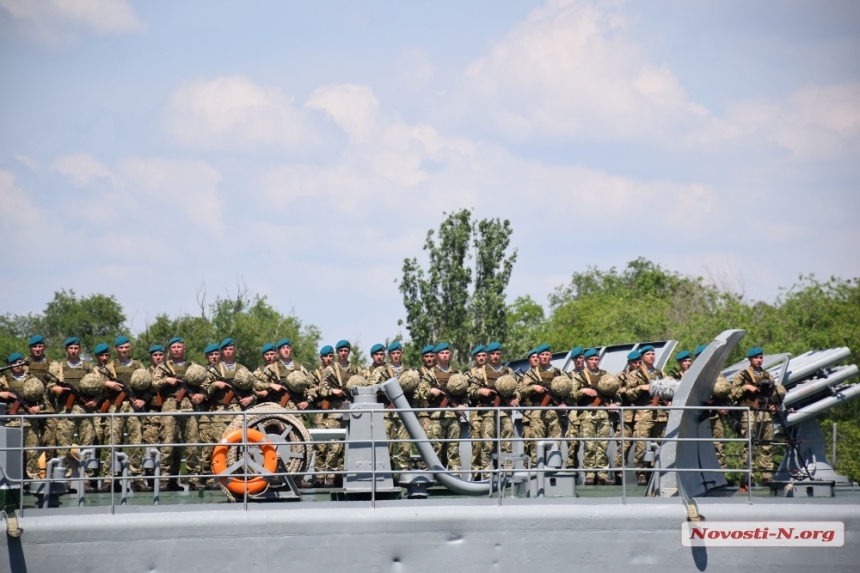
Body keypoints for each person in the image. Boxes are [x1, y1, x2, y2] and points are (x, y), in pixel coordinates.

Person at [152, 337, 205, 491]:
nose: (176, 349)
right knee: (168, 443)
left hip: (190, 408)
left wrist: (200, 395)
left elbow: (205, 386)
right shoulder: (163, 368)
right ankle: (166, 478)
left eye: (179, 347)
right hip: (170, 407)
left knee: (192, 445)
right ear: (169, 349)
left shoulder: (193, 367)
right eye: (173, 347)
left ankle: (194, 478)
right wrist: (166, 381)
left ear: (184, 348)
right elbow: (153, 385)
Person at [46, 337, 99, 488]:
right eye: (71, 348)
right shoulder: (59, 367)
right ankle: (64, 479)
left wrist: (95, 400)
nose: (74, 351)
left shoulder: (88, 367)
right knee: (63, 445)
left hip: (85, 410)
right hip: (65, 409)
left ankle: (87, 479)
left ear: (80, 349)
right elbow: (49, 384)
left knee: (87, 443)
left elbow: (99, 385)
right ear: (66, 350)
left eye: (76, 348)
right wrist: (54, 389)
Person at [731, 346, 783, 489]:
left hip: (765, 412)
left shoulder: (767, 376)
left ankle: (767, 476)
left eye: (760, 357)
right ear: (750, 359)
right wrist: (746, 388)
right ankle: (749, 476)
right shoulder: (742, 376)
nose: (759, 360)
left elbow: (775, 393)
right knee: (750, 446)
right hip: (749, 413)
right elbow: (732, 394)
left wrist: (774, 404)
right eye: (756, 358)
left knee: (767, 445)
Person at [467, 342, 518, 474]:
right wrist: (480, 391)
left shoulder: (508, 371)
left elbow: (517, 389)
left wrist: (516, 398)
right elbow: (471, 391)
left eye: (498, 354)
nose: (495, 356)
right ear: (489, 355)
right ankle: (487, 473)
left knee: (507, 443)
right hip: (488, 412)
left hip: (505, 412)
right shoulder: (480, 372)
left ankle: (506, 472)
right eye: (493, 354)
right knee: (488, 444)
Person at [316, 341, 359, 487]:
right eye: (341, 351)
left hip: (351, 410)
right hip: (334, 411)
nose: (343, 353)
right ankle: (328, 476)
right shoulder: (330, 370)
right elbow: (321, 389)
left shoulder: (356, 369)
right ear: (337, 353)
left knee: (343, 446)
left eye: (346, 350)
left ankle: (340, 474)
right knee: (334, 445)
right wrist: (332, 391)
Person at [416, 342, 465, 472]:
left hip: (454, 416)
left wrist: (462, 404)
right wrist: (431, 391)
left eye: (446, 353)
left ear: (450, 354)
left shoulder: (457, 373)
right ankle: (434, 474)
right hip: (436, 416)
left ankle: (455, 474)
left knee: (453, 447)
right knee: (435, 447)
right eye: (442, 353)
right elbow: (421, 393)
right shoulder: (430, 374)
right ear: (437, 356)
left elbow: (465, 392)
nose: (444, 355)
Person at [624, 345, 667, 485]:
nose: (651, 356)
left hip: (660, 413)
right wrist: (641, 388)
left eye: (653, 354)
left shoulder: (660, 374)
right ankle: (641, 472)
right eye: (648, 354)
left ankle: (657, 471)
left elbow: (669, 388)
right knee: (641, 445)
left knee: (660, 444)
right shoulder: (634, 374)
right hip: (643, 413)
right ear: (642, 357)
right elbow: (629, 395)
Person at [572, 348, 616, 485]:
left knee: (602, 444)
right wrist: (583, 391)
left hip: (603, 414)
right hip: (587, 414)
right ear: (586, 360)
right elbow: (572, 395)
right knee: (590, 445)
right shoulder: (580, 377)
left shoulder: (605, 375)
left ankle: (602, 474)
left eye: (596, 359)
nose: (594, 362)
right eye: (591, 359)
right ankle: (590, 474)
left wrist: (614, 404)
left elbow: (615, 392)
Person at [1, 352, 45, 481]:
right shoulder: (3, 380)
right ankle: (11, 478)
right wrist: (2, 394)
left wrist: (38, 407)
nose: (17, 365)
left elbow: (45, 401)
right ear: (9, 365)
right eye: (14, 363)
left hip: (29, 421)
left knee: (31, 451)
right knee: (12, 453)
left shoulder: (33, 380)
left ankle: (33, 478)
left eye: (20, 362)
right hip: (10, 422)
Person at [368, 342, 410, 476]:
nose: (396, 356)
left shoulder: (408, 372)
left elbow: (416, 391)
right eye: (393, 353)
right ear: (389, 355)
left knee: (405, 443)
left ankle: (404, 470)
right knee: (386, 444)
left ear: (401, 354)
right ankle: (388, 473)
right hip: (387, 410)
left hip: (403, 411)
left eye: (398, 353)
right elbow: (371, 387)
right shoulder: (381, 371)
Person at [518, 344, 564, 465]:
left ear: (551, 356)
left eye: (547, 354)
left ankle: (553, 469)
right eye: (542, 355)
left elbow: (567, 391)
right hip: (537, 412)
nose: (544, 357)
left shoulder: (559, 373)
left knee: (555, 442)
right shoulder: (531, 374)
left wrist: (564, 404)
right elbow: (521, 391)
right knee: (536, 444)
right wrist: (533, 387)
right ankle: (536, 469)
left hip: (554, 412)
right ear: (538, 357)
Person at [694, 343, 731, 470]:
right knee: (697, 445)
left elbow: (724, 389)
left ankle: (721, 472)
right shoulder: (691, 374)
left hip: (714, 413)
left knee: (718, 444)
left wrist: (723, 405)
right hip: (696, 415)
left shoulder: (716, 373)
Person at [24, 335, 57, 464]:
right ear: (30, 348)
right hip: (28, 409)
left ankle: (49, 472)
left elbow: (53, 382)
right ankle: (30, 475)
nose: (37, 349)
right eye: (34, 346)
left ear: (44, 347)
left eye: (40, 346)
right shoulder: (24, 363)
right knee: (30, 444)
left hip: (48, 409)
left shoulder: (52, 364)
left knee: (51, 442)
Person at [614, 350, 642, 481]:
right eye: (634, 362)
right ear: (629, 363)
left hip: (641, 415)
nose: (637, 365)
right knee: (624, 445)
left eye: (639, 362)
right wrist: (628, 390)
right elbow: (615, 390)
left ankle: (642, 473)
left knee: (641, 444)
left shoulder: (644, 375)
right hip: (626, 415)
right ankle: (619, 472)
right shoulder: (621, 376)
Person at [142, 345, 166, 486]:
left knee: (168, 448)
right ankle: (150, 479)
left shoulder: (169, 371)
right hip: (151, 413)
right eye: (155, 355)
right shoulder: (146, 373)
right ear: (151, 357)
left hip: (167, 412)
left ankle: (166, 479)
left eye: (160, 355)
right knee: (151, 447)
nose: (158, 358)